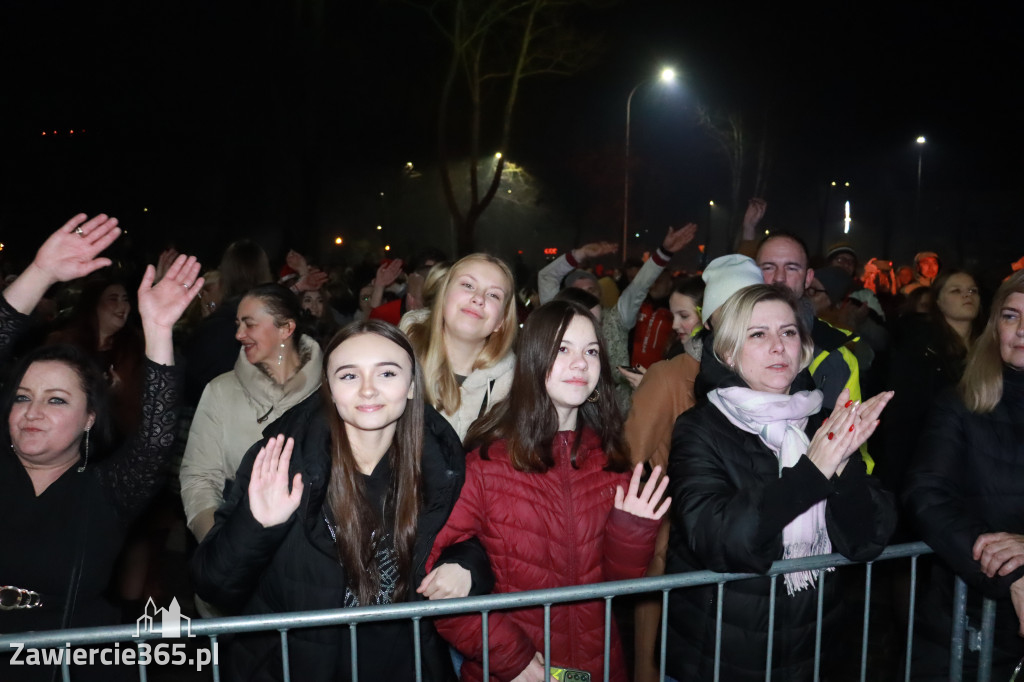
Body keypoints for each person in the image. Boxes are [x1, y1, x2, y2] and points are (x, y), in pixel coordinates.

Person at [192, 320, 492, 682]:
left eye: (387, 373)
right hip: (295, 667)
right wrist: (258, 525)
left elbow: (470, 540)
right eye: (349, 376)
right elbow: (213, 584)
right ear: (330, 389)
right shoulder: (282, 460)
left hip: (404, 665)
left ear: (411, 385)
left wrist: (466, 567)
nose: (368, 390)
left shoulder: (440, 467)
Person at [0, 214, 200, 680]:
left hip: (70, 667)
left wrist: (159, 329)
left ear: (90, 418)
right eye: (23, 398)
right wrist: (40, 273)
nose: (33, 412)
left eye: (56, 400)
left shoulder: (109, 490)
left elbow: (155, 437)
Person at [664, 284, 896, 682]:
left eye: (788, 332)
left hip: (816, 648)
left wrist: (845, 467)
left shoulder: (822, 422)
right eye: (758, 334)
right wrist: (812, 472)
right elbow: (717, 538)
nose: (778, 346)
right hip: (724, 652)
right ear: (727, 351)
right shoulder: (700, 428)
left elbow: (870, 536)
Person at [428, 300, 669, 682]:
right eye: (562, 349)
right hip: (514, 671)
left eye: (591, 351)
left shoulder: (609, 462)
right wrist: (512, 658)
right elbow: (433, 579)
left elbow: (616, 591)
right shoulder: (486, 465)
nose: (580, 363)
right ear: (534, 359)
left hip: (597, 668)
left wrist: (631, 534)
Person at [902, 270, 1024, 680]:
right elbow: (927, 494)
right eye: (1010, 315)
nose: (1022, 330)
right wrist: (1013, 571)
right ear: (995, 326)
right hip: (968, 624)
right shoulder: (961, 403)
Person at [180, 283, 324, 544]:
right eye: (237, 324)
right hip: (238, 551)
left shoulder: (331, 393)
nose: (238, 334)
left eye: (249, 324)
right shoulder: (221, 391)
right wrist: (218, 542)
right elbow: (198, 477)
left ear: (286, 329)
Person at [538, 224, 697, 411]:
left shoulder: (615, 319)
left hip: (616, 411)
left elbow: (638, 287)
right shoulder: (557, 320)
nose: (587, 299)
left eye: (592, 290)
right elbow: (546, 277)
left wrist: (663, 253)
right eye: (580, 293)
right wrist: (580, 254)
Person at [880, 270, 983, 496]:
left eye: (972, 290)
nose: (967, 295)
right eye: (956, 290)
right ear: (938, 301)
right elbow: (903, 415)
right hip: (932, 458)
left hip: (979, 461)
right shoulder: (919, 347)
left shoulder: (990, 348)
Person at [405, 253, 518, 441]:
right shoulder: (396, 361)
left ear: (502, 321)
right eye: (468, 285)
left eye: (493, 295)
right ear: (443, 296)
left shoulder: (516, 390)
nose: (478, 298)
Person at [47, 275, 145, 443]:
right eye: (113, 299)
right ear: (93, 305)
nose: (122, 306)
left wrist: (118, 393)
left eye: (125, 299)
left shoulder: (135, 346)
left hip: (114, 439)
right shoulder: (62, 342)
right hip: (66, 435)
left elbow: (140, 403)